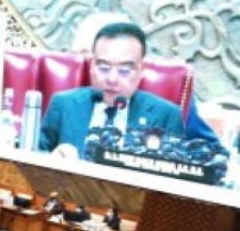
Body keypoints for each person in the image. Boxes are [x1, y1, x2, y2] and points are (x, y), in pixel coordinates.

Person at [39, 22, 185, 159]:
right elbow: (35, 154)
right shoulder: (64, 104)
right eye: (103, 67)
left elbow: (175, 178)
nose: (112, 79)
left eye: (124, 70)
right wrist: (53, 160)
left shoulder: (166, 116)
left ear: (141, 71)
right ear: (91, 66)